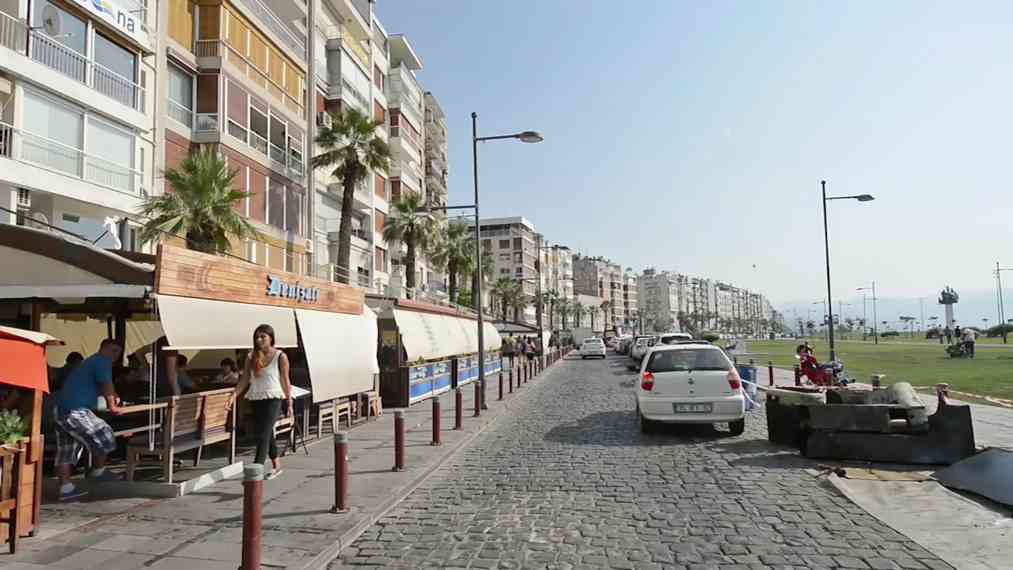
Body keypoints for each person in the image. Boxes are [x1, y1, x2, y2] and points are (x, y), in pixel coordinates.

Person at [53, 339, 123, 500]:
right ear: (103, 348)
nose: (115, 355)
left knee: (66, 450)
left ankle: (65, 489)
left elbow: (104, 387)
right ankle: (98, 471)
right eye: (113, 350)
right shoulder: (102, 361)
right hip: (76, 410)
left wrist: (114, 396)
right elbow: (107, 384)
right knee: (104, 433)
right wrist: (113, 406)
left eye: (118, 352)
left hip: (61, 409)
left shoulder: (90, 362)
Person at [227, 324, 293, 479]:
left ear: (271, 338)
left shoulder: (280, 356)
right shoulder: (251, 356)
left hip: (274, 398)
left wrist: (289, 402)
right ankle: (276, 465)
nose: (259, 340)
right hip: (256, 397)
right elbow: (244, 379)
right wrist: (233, 396)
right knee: (266, 432)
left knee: (263, 433)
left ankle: (256, 470)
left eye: (263, 336)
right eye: (257, 337)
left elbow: (285, 380)